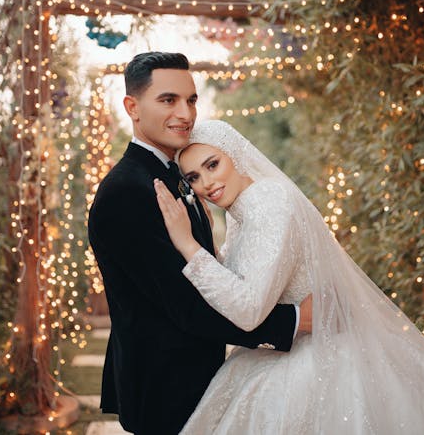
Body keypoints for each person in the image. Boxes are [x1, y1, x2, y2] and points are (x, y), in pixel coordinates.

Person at [154, 119, 424, 434]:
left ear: (234, 155)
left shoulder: (269, 200)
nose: (206, 183)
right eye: (194, 177)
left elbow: (249, 308)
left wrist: (189, 247)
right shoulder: (241, 213)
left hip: (314, 361)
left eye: (212, 165)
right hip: (282, 351)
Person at [87, 52, 310, 435]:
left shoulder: (174, 175)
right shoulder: (126, 192)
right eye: (168, 100)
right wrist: (291, 322)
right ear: (132, 107)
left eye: (190, 100)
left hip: (197, 378)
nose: (185, 113)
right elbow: (185, 306)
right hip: (165, 387)